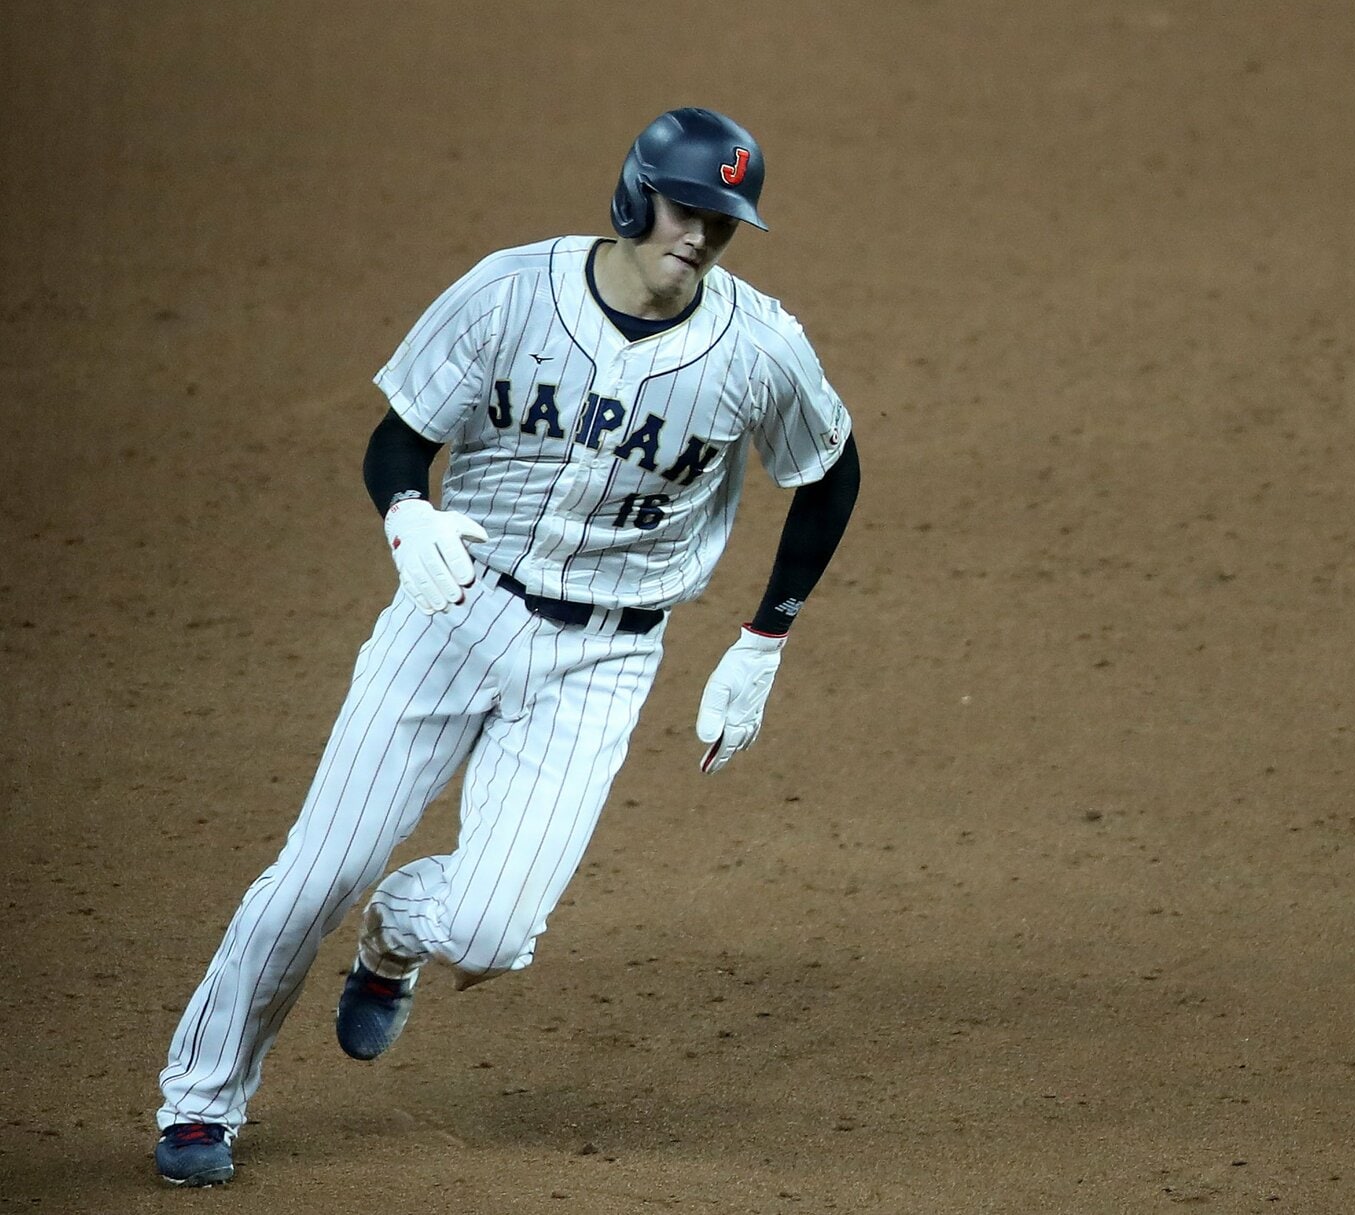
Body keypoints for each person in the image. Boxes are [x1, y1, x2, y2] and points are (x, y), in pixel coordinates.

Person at [153, 108, 859, 1187]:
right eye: (688, 210)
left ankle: (396, 935)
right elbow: (401, 437)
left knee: (488, 934)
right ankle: (199, 1105)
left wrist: (764, 640)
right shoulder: (507, 294)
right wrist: (407, 515)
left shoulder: (759, 347)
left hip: (603, 660)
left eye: (724, 221)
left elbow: (829, 474)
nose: (703, 237)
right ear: (636, 197)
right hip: (454, 612)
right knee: (315, 872)